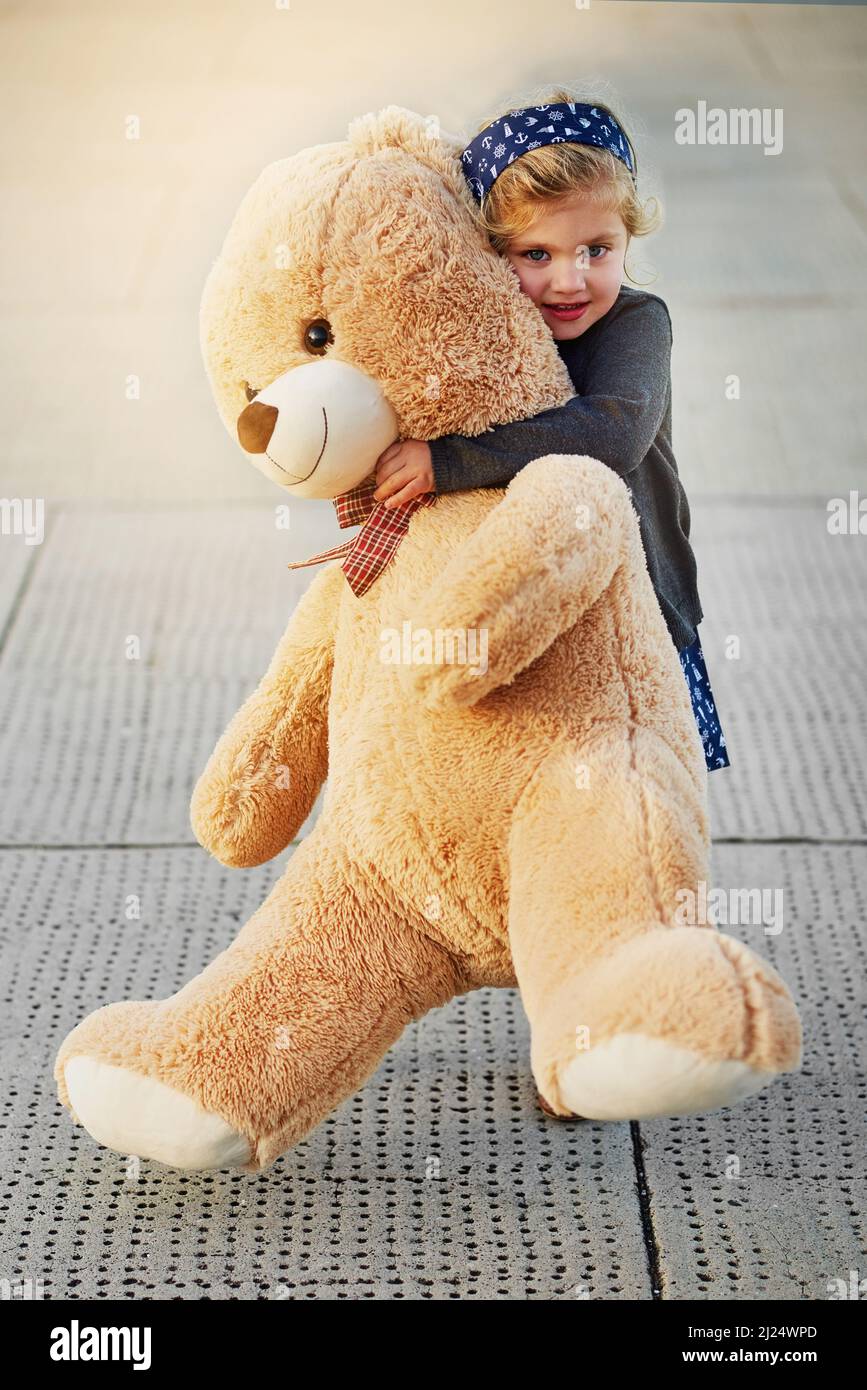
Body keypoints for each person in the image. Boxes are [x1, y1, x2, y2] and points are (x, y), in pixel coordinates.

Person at [372, 85, 730, 771]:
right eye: (535, 254)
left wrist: (446, 461)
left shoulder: (636, 323)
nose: (570, 279)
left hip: (638, 609)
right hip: (521, 607)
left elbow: (614, 430)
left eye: (596, 248)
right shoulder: (490, 333)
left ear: (629, 236)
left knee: (635, 796)